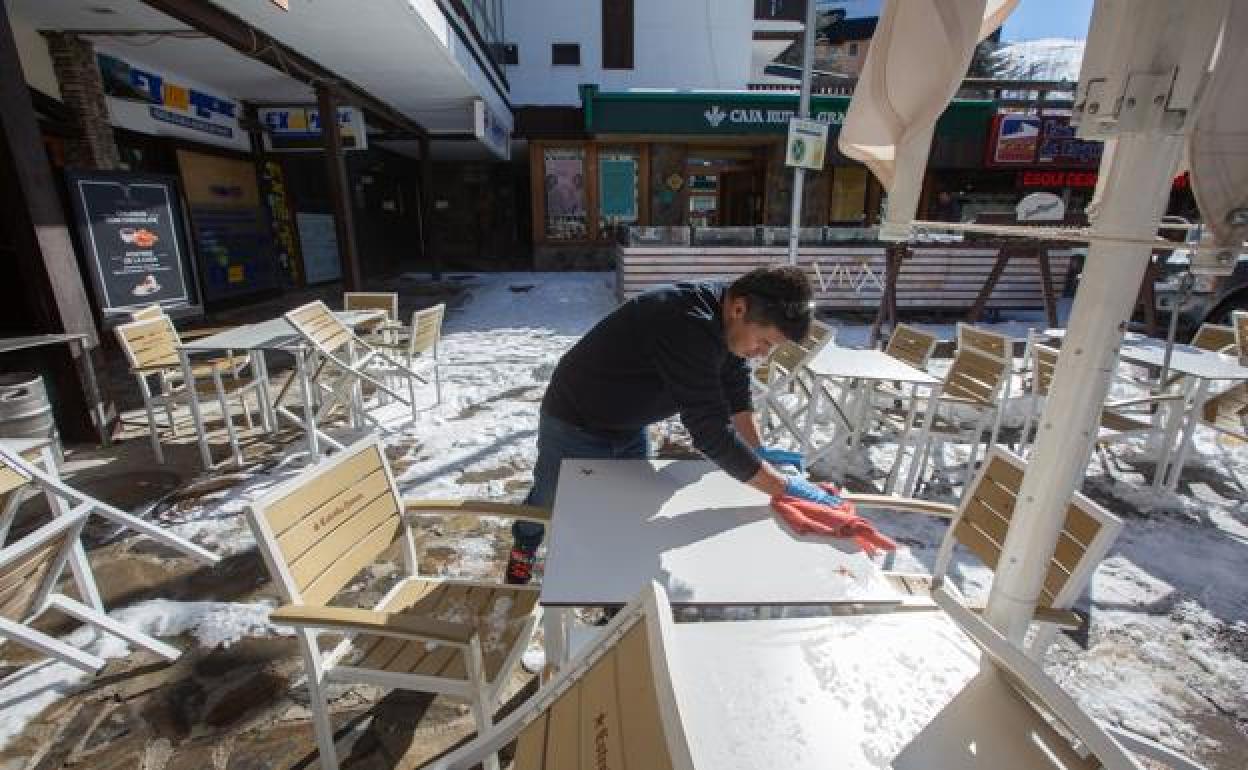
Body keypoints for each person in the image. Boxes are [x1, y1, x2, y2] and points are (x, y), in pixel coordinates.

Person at [505, 266, 841, 584]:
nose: (763, 354)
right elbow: (709, 432)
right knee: (552, 497)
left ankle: (617, 593)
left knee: (631, 507)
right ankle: (526, 543)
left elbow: (736, 393)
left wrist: (759, 453)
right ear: (739, 309)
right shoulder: (685, 322)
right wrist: (783, 488)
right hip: (573, 419)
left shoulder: (732, 318)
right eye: (765, 343)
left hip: (628, 424)